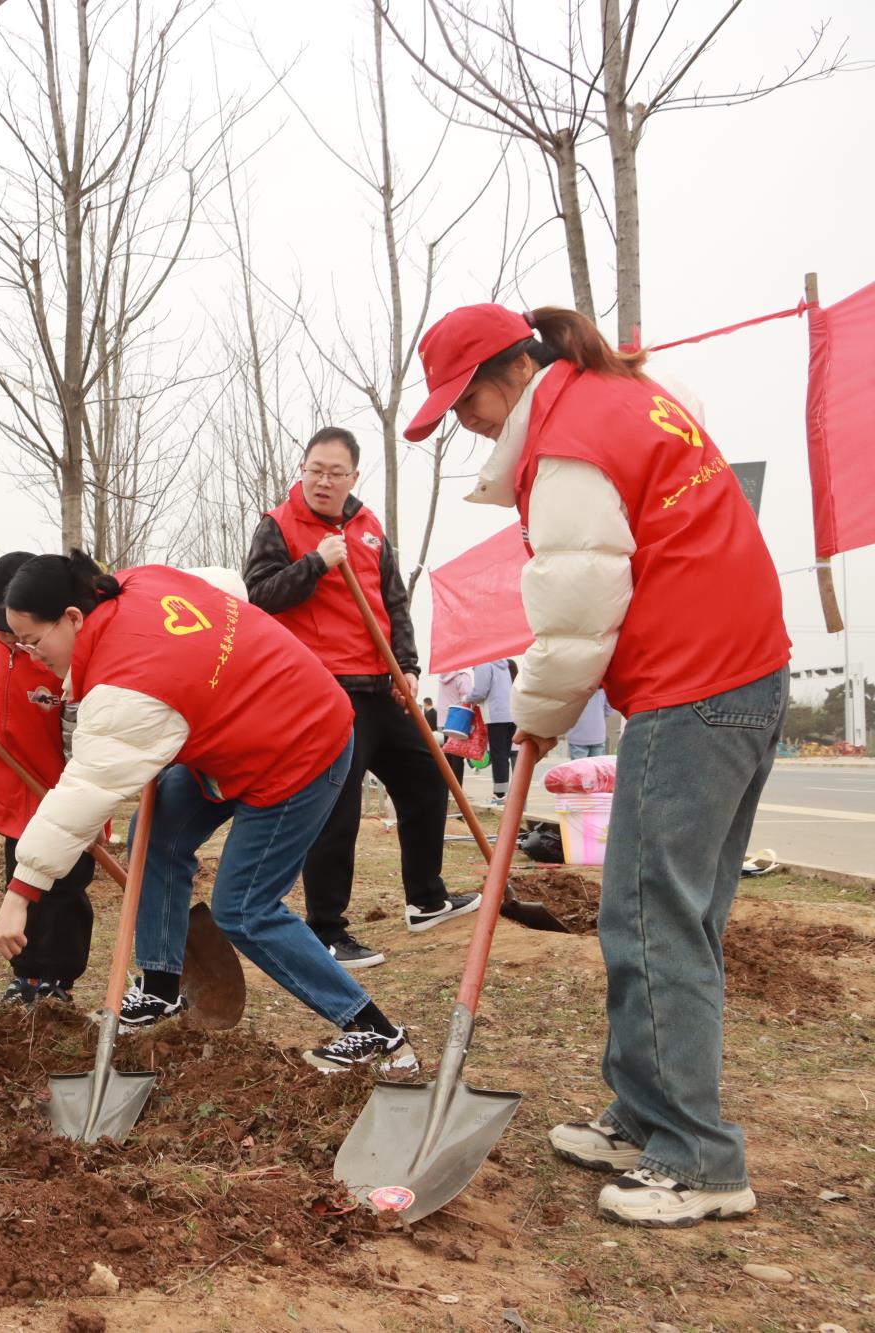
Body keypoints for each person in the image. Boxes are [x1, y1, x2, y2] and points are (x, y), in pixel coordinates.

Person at [406, 302, 790, 1227]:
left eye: (465, 409)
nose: (471, 427)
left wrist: (534, 714)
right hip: (737, 671)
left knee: (653, 915)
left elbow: (578, 613)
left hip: (693, 682)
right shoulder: (617, 392)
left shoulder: (570, 440)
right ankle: (644, 1115)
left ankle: (699, 1156)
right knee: (660, 908)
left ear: (502, 376)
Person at [0, 552, 418, 1071]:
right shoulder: (134, 584)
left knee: (244, 909)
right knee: (156, 835)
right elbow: (227, 586)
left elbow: (85, 791)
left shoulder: (129, 690)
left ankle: (372, 1031)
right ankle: (162, 986)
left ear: (73, 617)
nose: (27, 653)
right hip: (237, 730)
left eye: (31, 640)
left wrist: (21, 893)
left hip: (302, 746)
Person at [244, 427, 478, 970]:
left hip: (382, 685)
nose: (323, 481)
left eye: (335, 472)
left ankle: (426, 897)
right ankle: (326, 930)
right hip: (323, 691)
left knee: (427, 779)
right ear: (301, 470)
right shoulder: (278, 526)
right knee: (337, 811)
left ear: (353, 476)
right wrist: (316, 564)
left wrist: (409, 667)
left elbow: (393, 602)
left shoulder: (370, 528)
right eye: (314, 470)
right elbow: (259, 597)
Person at [0, 552, 94, 1004]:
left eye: (15, 633)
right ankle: (26, 976)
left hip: (61, 796)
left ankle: (57, 979)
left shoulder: (58, 657)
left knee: (64, 891)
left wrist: (74, 795)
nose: (6, 639)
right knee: (19, 881)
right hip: (13, 791)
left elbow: (79, 737)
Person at [469, 657, 517, 804]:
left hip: (496, 715)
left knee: (498, 756)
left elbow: (480, 692)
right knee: (504, 756)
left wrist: (467, 697)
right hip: (510, 713)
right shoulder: (504, 663)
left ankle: (500, 795)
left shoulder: (483, 662)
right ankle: (503, 793)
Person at [435, 667, 476, 790]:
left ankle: (447, 785)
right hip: (458, 719)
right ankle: (456, 788)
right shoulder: (462, 676)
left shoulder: (442, 676)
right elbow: (468, 697)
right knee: (458, 756)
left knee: (448, 753)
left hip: (444, 719)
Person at [566, 688, 611, 760]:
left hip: (576, 734)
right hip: (597, 733)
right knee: (596, 768)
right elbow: (608, 711)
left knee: (579, 769)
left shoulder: (572, 685)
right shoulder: (602, 688)